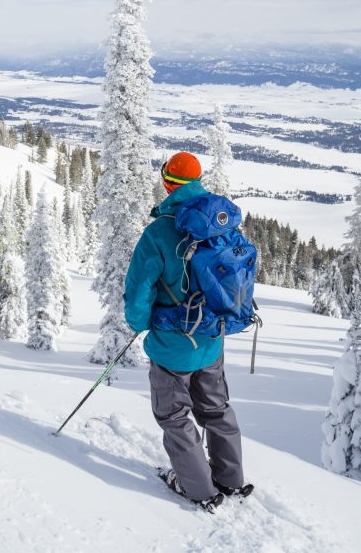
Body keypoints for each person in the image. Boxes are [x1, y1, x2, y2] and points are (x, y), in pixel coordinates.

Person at [123, 152, 251, 513]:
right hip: (212, 340)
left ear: (168, 183)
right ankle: (230, 479)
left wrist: (139, 324)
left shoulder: (160, 231)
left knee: (174, 415)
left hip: (173, 345)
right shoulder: (220, 222)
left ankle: (198, 489)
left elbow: (139, 292)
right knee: (215, 407)